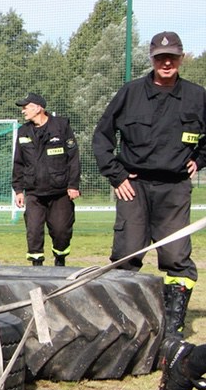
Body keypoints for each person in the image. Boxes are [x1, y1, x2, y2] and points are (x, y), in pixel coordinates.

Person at [92, 31, 206, 344]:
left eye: (172, 57)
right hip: (134, 187)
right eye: (160, 57)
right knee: (126, 255)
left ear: (181, 58)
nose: (166, 63)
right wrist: (116, 176)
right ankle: (124, 329)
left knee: (176, 258)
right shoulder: (130, 93)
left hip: (175, 189)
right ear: (152, 59)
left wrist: (200, 160)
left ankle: (172, 330)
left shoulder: (197, 96)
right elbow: (101, 136)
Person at [12, 92, 81, 266]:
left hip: (60, 191)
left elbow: (73, 158)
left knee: (61, 231)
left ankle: (60, 260)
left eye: (26, 107)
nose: (23, 111)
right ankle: (37, 267)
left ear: (38, 108)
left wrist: (73, 185)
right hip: (34, 192)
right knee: (33, 231)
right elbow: (18, 162)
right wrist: (18, 190)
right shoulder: (23, 131)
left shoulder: (61, 126)